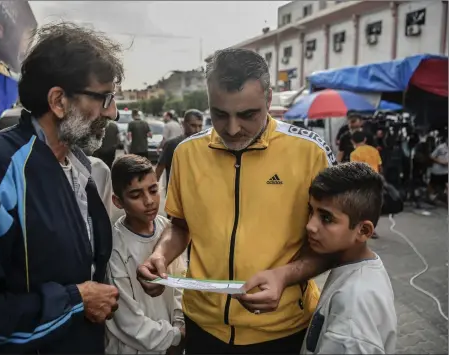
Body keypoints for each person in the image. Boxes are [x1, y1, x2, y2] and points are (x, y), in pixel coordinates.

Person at [0, 22, 123, 354]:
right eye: (104, 98)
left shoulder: (80, 165)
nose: (113, 112)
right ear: (59, 101)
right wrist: (75, 301)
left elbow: (86, 266)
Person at [137, 48, 337, 354]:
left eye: (247, 115)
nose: (232, 129)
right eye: (219, 114)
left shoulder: (312, 153)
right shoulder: (187, 153)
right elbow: (180, 225)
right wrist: (161, 255)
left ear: (269, 100)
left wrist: (285, 276)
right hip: (203, 325)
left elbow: (335, 244)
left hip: (282, 329)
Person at [301, 162, 397, 354]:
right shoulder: (358, 267)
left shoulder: (353, 312)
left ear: (363, 231)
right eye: (311, 211)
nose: (310, 226)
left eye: (326, 218)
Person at [105, 155, 186, 354]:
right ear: (118, 201)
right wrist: (173, 336)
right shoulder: (115, 246)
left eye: (153, 190)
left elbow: (181, 283)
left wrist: (179, 325)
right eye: (135, 195)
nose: (149, 201)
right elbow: (126, 320)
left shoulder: (168, 230)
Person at [155, 109, 203, 191]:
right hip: (176, 196)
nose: (197, 130)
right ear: (184, 124)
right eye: (193, 125)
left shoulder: (205, 145)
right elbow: (159, 169)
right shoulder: (172, 145)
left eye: (200, 126)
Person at [428, 134, 448, 202]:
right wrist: (440, 161)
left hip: (446, 171)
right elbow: (431, 156)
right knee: (432, 184)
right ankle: (429, 197)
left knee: (447, 185)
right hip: (437, 171)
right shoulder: (440, 147)